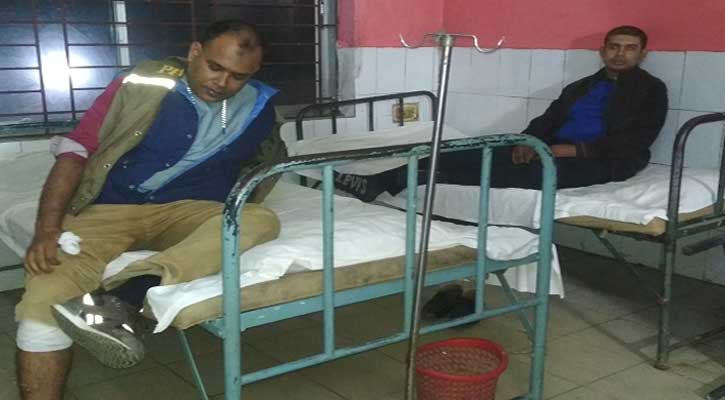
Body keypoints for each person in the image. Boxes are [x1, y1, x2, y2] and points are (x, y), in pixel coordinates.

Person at [15, 20, 286, 400]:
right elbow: (76, 151)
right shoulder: (141, 83)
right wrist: (47, 228)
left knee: (258, 219)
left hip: (189, 211)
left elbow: (264, 166)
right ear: (194, 52)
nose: (222, 83)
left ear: (254, 72)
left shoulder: (260, 108)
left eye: (238, 76)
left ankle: (124, 298)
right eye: (214, 67)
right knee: (43, 300)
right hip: (111, 208)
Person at [335, 25, 668, 201]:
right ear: (602, 51)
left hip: (605, 161)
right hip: (549, 149)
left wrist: (575, 150)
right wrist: (526, 141)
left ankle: (414, 179)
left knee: (521, 175)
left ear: (642, 54)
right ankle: (378, 181)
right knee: (466, 150)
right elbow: (548, 120)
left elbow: (637, 141)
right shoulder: (581, 87)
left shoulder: (650, 90)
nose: (620, 54)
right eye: (614, 47)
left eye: (629, 48)